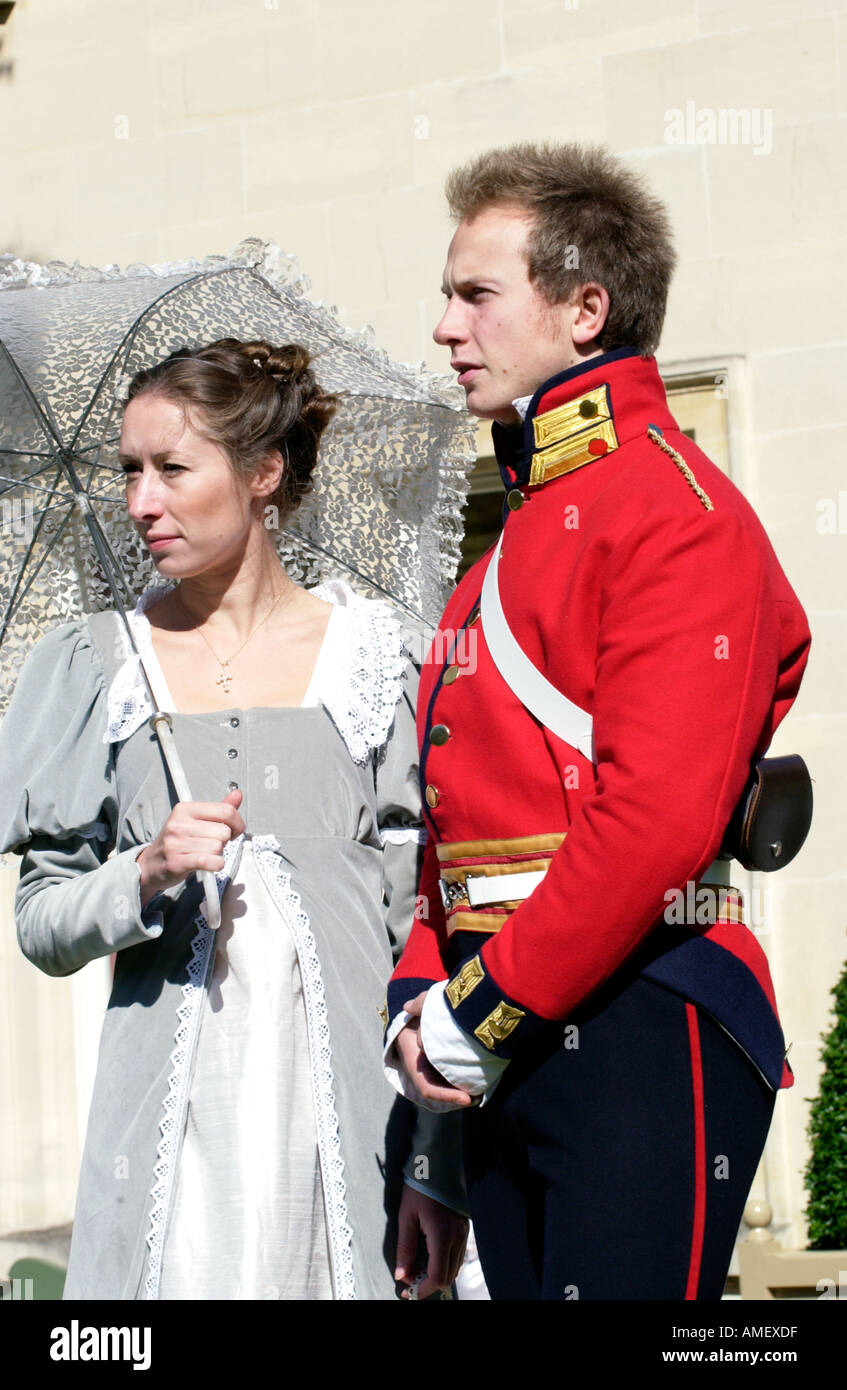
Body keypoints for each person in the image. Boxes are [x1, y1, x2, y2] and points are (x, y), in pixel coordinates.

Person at [384, 143, 811, 1300]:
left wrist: (477, 1009)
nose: (444, 326)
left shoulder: (679, 515)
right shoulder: (509, 545)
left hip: (637, 1017)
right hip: (493, 1040)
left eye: (476, 293)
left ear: (585, 309)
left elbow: (658, 821)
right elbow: (449, 840)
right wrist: (426, 1082)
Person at [0, 337, 467, 1300]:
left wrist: (434, 1158)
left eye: (172, 468)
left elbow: (427, 923)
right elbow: (41, 926)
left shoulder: (378, 659)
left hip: (347, 1126)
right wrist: (144, 873)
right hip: (171, 1145)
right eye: (129, 471)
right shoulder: (99, 666)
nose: (141, 502)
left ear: (263, 473)